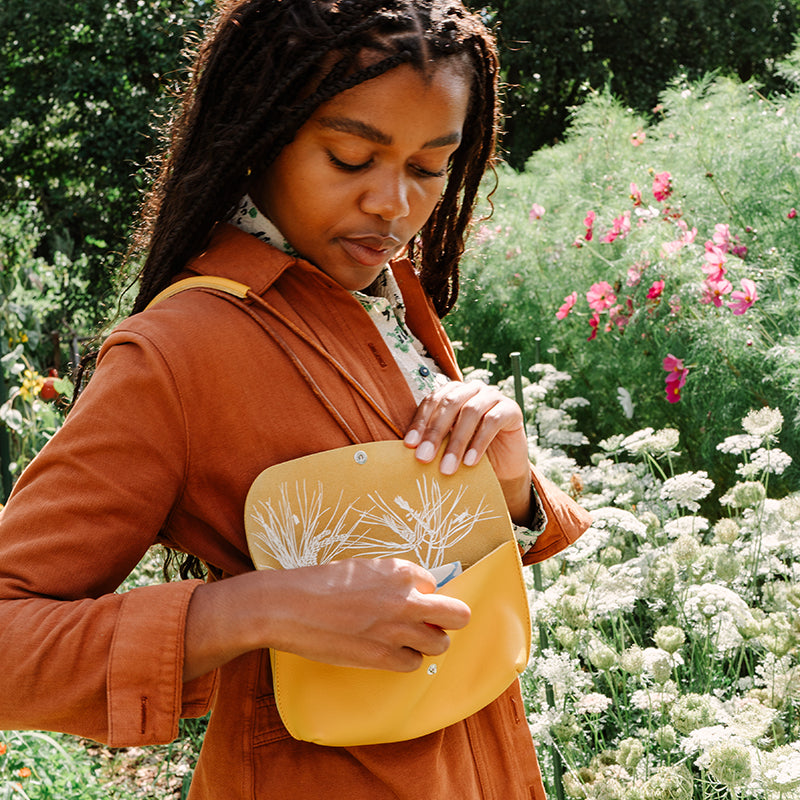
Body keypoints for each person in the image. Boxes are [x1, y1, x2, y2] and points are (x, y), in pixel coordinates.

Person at [0, 1, 590, 797]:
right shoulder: (176, 353)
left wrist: (511, 488)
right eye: (351, 157)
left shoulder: (385, 296)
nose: (395, 205)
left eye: (428, 168)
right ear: (260, 134)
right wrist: (253, 611)